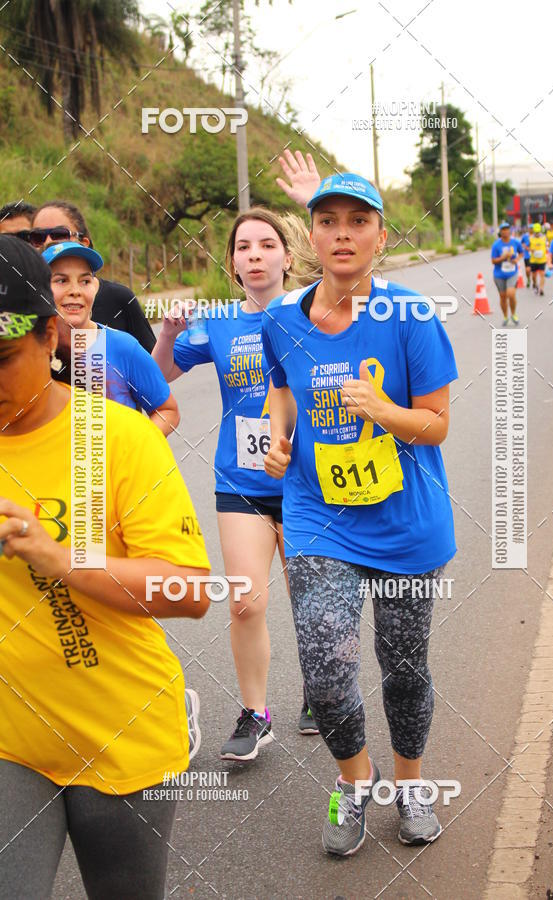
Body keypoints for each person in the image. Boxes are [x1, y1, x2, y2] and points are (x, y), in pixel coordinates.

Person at [0, 235, 211, 899]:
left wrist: (59, 557)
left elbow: (192, 590)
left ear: (50, 337)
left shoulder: (118, 438)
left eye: (2, 358)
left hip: (122, 733)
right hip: (12, 740)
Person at [262, 173, 458, 855]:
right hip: (321, 518)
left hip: (407, 523)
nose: (342, 234)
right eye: (328, 221)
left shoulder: (410, 316)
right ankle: (355, 780)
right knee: (324, 666)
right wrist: (277, 436)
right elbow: (281, 394)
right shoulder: (282, 318)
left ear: (379, 235)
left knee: (403, 668)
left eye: (358, 221)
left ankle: (410, 783)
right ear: (310, 235)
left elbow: (436, 424)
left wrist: (384, 412)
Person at [153, 204, 322, 760]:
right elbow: (162, 376)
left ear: (288, 256)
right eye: (243, 247)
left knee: (313, 603)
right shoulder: (219, 322)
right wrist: (168, 333)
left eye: (266, 245)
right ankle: (256, 712)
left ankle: (319, 692)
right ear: (232, 262)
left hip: (310, 483)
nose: (254, 255)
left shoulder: (314, 313)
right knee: (246, 603)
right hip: (241, 482)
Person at [41, 241, 179, 437]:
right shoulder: (29, 351)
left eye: (85, 281)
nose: (75, 290)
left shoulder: (123, 347)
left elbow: (167, 411)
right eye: (61, 280)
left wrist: (134, 448)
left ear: (95, 287)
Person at [30, 201, 157, 352]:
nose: (48, 243)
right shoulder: (17, 304)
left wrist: (169, 335)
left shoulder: (119, 299)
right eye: (38, 237)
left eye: (59, 235)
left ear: (84, 243)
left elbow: (153, 368)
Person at [491, 222, 523, 325]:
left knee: (511, 294)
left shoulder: (515, 242)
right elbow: (493, 261)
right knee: (503, 297)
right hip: (499, 274)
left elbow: (521, 252)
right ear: (500, 232)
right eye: (503, 229)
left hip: (512, 273)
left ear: (510, 231)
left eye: (507, 229)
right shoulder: (496, 245)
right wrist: (503, 258)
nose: (505, 231)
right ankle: (505, 316)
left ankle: (513, 314)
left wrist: (517, 259)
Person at [529, 222, 547, 296]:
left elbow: (547, 246)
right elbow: (526, 247)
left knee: (542, 274)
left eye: (538, 232)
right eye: (536, 232)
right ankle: (535, 284)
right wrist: (530, 249)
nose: (537, 233)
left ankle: (541, 289)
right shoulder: (530, 238)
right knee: (534, 276)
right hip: (533, 260)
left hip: (542, 260)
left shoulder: (544, 238)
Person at [521, 223, 532, 288]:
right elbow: (521, 243)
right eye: (530, 228)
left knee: (533, 271)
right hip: (527, 255)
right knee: (527, 270)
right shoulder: (525, 236)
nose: (531, 229)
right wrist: (526, 247)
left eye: (532, 228)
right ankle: (528, 279)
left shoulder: (537, 236)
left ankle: (534, 282)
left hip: (535, 256)